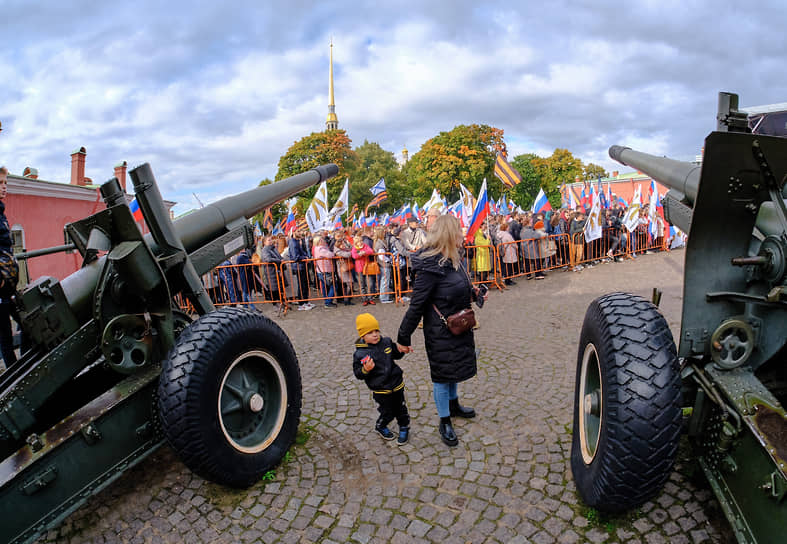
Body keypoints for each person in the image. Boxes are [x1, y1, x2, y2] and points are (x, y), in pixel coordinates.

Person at [396, 214, 479, 447]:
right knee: (443, 375)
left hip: (459, 325)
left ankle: (454, 406)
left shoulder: (455, 258)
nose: (463, 235)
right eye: (459, 232)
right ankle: (444, 421)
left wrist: (475, 294)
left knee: (454, 370)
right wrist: (403, 336)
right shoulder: (430, 265)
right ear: (449, 234)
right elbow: (417, 304)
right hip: (439, 330)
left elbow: (460, 286)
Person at [353, 313, 411, 444]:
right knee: (387, 412)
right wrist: (365, 370)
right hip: (380, 390)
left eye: (376, 331)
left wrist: (402, 349)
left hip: (396, 385)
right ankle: (381, 425)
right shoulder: (360, 354)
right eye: (370, 332)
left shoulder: (386, 342)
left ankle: (404, 427)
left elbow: (396, 355)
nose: (375, 334)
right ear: (362, 336)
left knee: (401, 409)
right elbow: (358, 374)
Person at [0, 166, 20, 369]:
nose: (4, 187)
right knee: (5, 337)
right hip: (2, 286)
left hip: (8, 285)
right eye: (0, 183)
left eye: (5, 182)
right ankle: (15, 377)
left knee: (25, 326)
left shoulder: (1, 212)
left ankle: (21, 368)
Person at [352, 235, 377, 306]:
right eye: (359, 241)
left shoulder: (365, 246)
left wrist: (364, 252)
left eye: (361, 241)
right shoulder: (354, 248)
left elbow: (371, 251)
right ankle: (364, 299)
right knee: (362, 285)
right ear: (356, 243)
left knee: (370, 284)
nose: (360, 242)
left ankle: (370, 298)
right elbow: (354, 256)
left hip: (367, 268)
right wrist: (360, 254)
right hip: (359, 269)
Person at [312, 236, 336, 308]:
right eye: (322, 240)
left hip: (321, 270)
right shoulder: (321, 249)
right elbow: (330, 255)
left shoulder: (317, 249)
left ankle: (327, 301)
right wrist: (332, 253)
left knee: (324, 286)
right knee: (333, 285)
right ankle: (328, 302)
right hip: (325, 270)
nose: (323, 241)